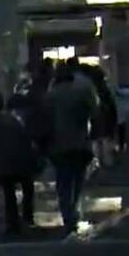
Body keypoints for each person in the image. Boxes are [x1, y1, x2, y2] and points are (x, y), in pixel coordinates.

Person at [44, 63, 99, 234]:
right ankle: (74, 210)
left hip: (59, 145)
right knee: (78, 180)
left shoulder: (51, 95)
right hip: (80, 143)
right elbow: (94, 112)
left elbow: (45, 120)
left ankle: (68, 215)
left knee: (63, 183)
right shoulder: (81, 92)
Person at [0, 94, 42, 236]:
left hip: (2, 165)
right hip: (18, 164)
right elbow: (26, 144)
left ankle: (12, 224)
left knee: (9, 194)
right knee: (27, 189)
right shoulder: (18, 123)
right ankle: (27, 219)